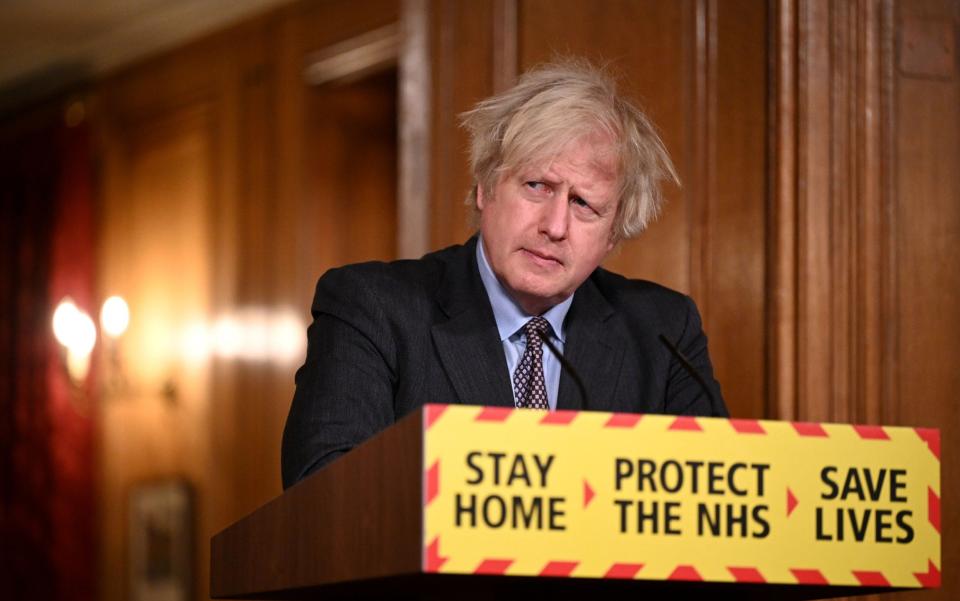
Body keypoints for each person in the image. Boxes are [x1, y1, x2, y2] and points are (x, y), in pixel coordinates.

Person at [281, 59, 727, 489]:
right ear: (485, 187)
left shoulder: (664, 332)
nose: (554, 227)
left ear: (613, 235)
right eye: (537, 186)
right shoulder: (373, 307)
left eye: (584, 205)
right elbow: (326, 493)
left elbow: (711, 500)